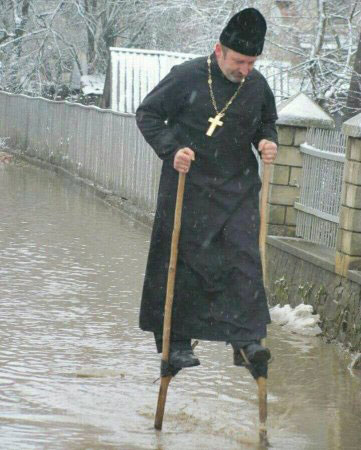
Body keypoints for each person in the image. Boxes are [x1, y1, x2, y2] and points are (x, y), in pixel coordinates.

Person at [136, 8, 278, 377]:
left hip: (238, 188)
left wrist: (266, 140)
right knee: (181, 263)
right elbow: (148, 113)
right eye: (239, 61)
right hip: (190, 187)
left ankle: (247, 344)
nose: (245, 69)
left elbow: (267, 121)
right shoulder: (186, 78)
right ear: (219, 50)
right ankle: (176, 344)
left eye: (251, 62)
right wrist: (172, 148)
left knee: (244, 261)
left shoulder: (257, 86)